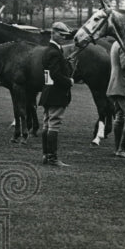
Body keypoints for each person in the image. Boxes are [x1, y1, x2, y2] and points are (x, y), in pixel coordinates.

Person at [39, 21, 75, 166]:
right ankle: (52, 157)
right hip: (56, 93)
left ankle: (46, 155)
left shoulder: (49, 50)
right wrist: (69, 81)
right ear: (53, 33)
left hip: (48, 92)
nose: (64, 38)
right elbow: (55, 74)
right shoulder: (54, 52)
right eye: (61, 34)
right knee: (54, 124)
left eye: (65, 35)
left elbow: (51, 73)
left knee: (47, 124)